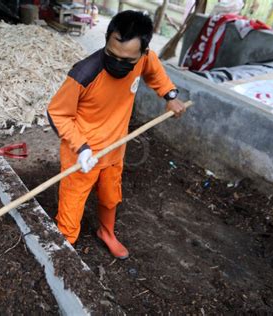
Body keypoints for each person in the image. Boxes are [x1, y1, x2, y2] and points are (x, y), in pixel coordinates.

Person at [47, 10, 186, 259]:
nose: (118, 63)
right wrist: (81, 147)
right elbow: (57, 113)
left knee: (111, 196)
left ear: (142, 53)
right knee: (72, 203)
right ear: (106, 41)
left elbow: (156, 73)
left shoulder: (145, 58)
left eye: (127, 60)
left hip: (115, 148)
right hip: (82, 153)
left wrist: (170, 95)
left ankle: (106, 233)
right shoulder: (84, 74)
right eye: (111, 55)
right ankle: (64, 250)